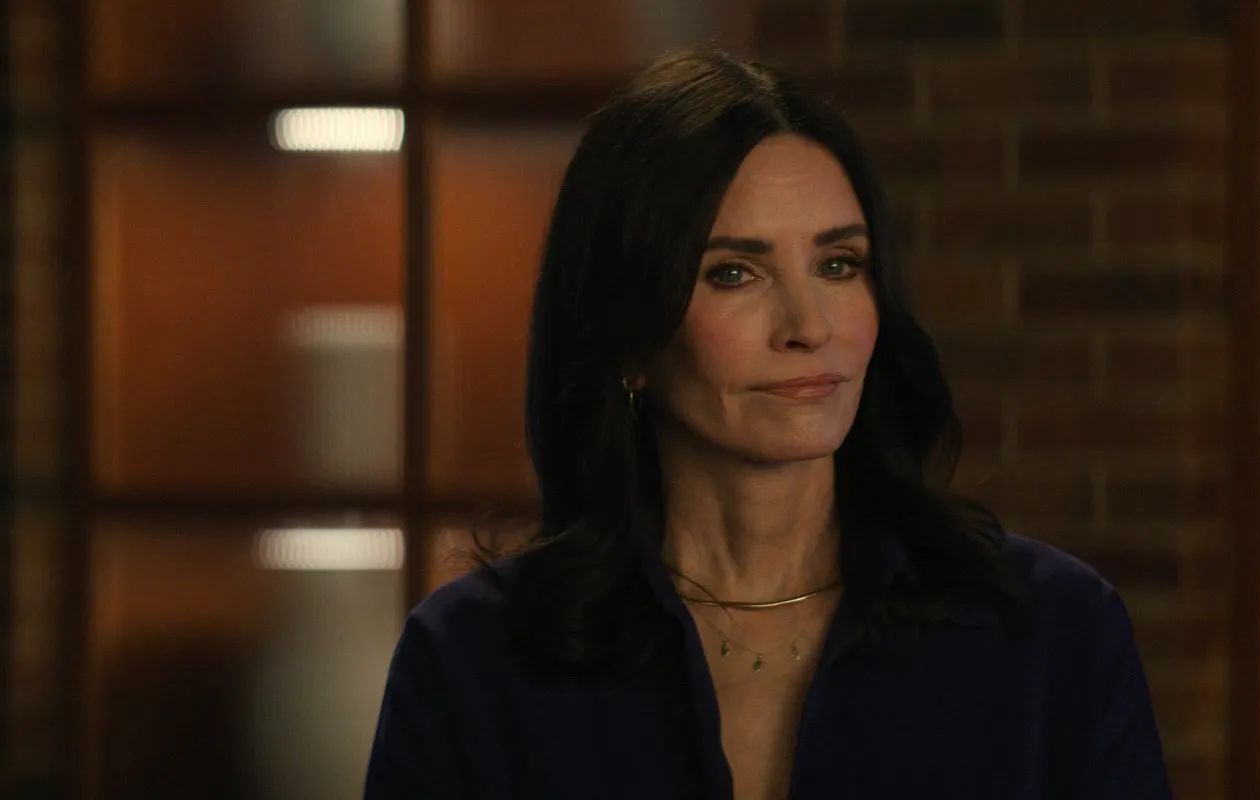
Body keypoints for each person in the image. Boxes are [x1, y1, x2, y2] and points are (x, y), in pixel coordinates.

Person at [363, 48, 1171, 800]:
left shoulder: (1052, 633)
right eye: (734, 273)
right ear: (630, 339)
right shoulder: (474, 659)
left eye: (838, 264)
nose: (808, 326)